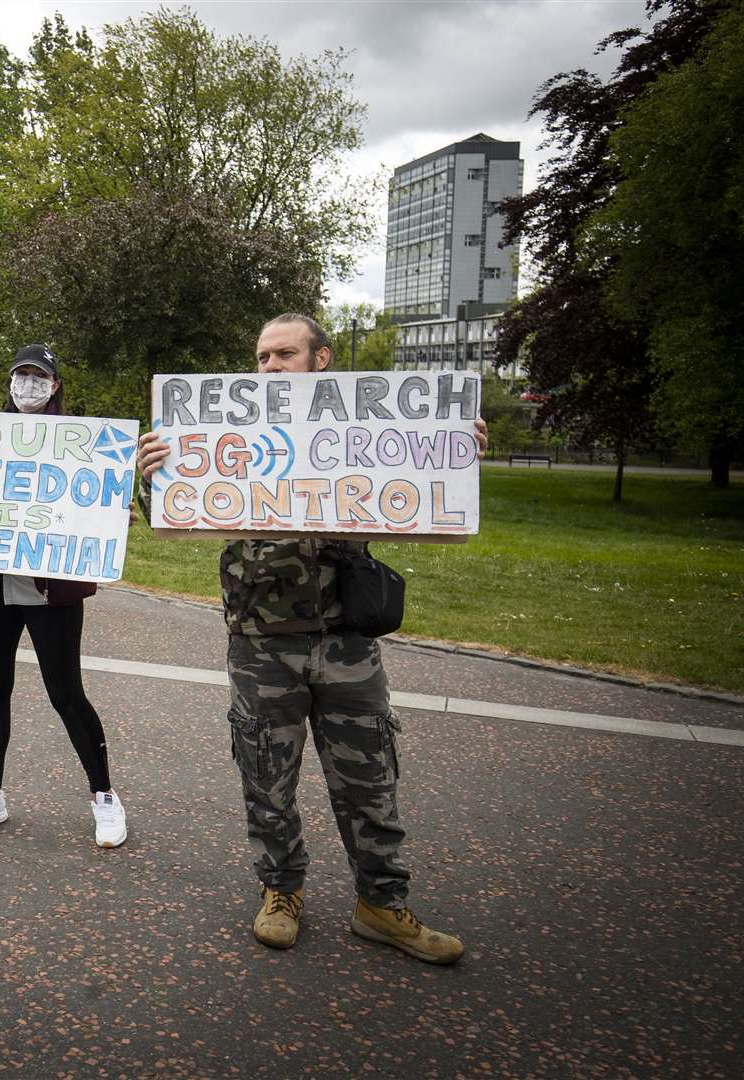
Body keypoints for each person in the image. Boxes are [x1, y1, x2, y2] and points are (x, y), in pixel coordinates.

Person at [136, 314, 486, 965]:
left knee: (368, 778)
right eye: (261, 356)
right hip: (260, 642)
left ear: (320, 360)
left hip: (344, 639)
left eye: (284, 354)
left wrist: (451, 450)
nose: (268, 367)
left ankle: (381, 905)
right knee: (266, 777)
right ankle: (280, 891)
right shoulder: (221, 435)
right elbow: (169, 516)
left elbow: (418, 486)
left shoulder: (359, 432)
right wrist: (152, 475)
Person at [0, 345, 127, 849]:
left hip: (49, 590)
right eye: (20, 375)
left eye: (39, 376)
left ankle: (104, 795)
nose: (28, 384)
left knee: (66, 693)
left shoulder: (83, 443)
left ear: (55, 385)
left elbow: (96, 500)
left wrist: (112, 511)